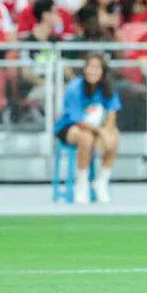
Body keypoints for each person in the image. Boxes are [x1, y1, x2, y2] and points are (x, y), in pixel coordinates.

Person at [54, 53, 121, 204]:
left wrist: (107, 132)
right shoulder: (74, 88)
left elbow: (112, 115)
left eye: (97, 68)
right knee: (86, 137)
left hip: (97, 128)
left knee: (114, 135)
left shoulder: (108, 88)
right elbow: (78, 120)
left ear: (103, 71)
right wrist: (101, 132)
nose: (93, 71)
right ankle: (82, 183)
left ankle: (102, 181)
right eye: (90, 67)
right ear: (84, 69)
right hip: (70, 127)